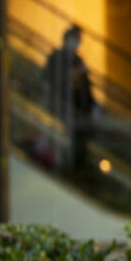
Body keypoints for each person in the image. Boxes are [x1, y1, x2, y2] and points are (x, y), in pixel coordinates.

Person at [44, 24, 96, 171]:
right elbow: (51, 80)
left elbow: (85, 88)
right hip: (64, 110)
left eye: (79, 39)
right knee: (68, 143)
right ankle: (68, 169)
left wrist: (92, 107)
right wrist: (74, 74)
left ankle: (78, 169)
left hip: (80, 112)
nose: (78, 42)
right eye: (76, 38)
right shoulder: (57, 58)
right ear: (67, 39)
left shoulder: (78, 60)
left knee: (81, 144)